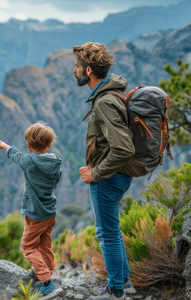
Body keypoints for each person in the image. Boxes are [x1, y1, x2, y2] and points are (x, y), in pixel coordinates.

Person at [73, 42, 135, 300]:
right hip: (115, 175)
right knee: (112, 230)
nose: (73, 71)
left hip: (108, 178)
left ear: (88, 70)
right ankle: (125, 283)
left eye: (76, 66)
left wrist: (95, 173)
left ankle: (115, 291)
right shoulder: (109, 95)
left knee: (107, 234)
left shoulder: (105, 102)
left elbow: (123, 149)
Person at [0, 123, 62, 297]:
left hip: (35, 215)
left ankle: (46, 282)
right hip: (50, 212)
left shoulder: (29, 161)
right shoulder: (55, 162)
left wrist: (5, 146)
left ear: (28, 145)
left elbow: (16, 155)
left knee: (28, 247)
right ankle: (47, 270)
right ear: (48, 145)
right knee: (45, 243)